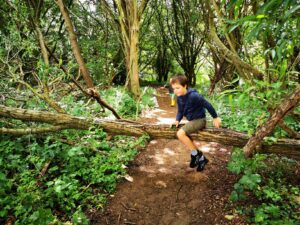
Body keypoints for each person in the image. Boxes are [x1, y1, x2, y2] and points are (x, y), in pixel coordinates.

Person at [170, 75, 221, 172]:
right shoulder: (179, 97)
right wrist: (177, 120)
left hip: (200, 120)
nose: (175, 91)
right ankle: (201, 159)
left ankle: (197, 155)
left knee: (180, 133)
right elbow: (180, 111)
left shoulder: (194, 96)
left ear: (185, 86)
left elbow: (207, 104)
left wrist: (215, 117)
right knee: (187, 137)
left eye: (178, 88)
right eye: (174, 89)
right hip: (192, 121)